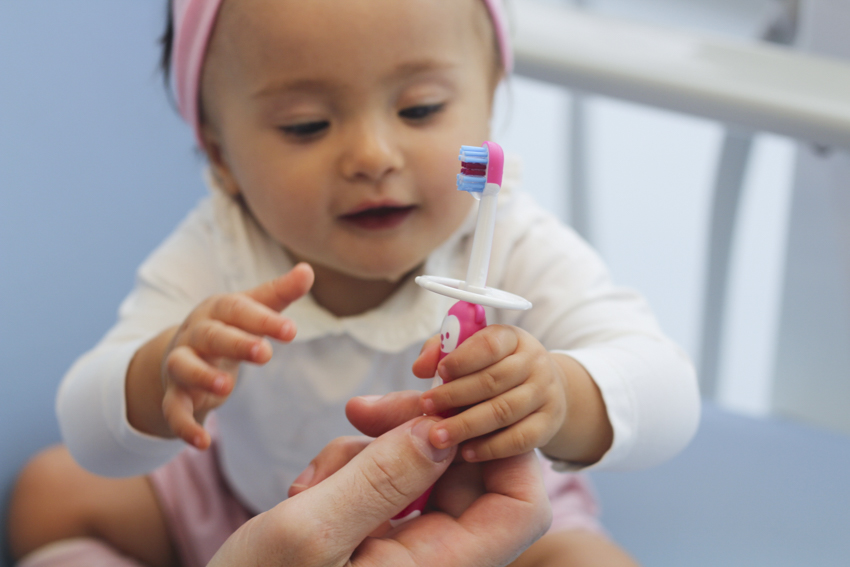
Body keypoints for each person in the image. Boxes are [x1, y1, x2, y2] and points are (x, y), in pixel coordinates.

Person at [8, 0, 700, 565]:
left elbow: (668, 391)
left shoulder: (513, 242)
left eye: (421, 109)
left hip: (489, 526)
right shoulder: (219, 251)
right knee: (50, 490)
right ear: (221, 154)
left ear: (488, 103)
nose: (373, 155)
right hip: (247, 516)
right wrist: (160, 376)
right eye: (307, 125)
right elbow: (87, 423)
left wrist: (559, 394)